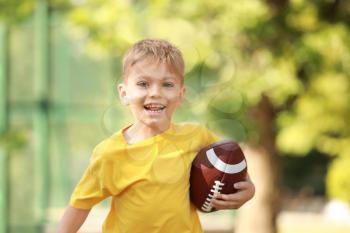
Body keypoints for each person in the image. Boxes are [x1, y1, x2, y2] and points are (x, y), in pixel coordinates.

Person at [57, 39, 255, 233]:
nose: (155, 93)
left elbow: (231, 161)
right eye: (143, 83)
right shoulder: (109, 153)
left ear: (181, 93)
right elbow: (79, 206)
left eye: (167, 85)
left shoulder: (197, 137)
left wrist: (249, 189)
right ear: (124, 93)